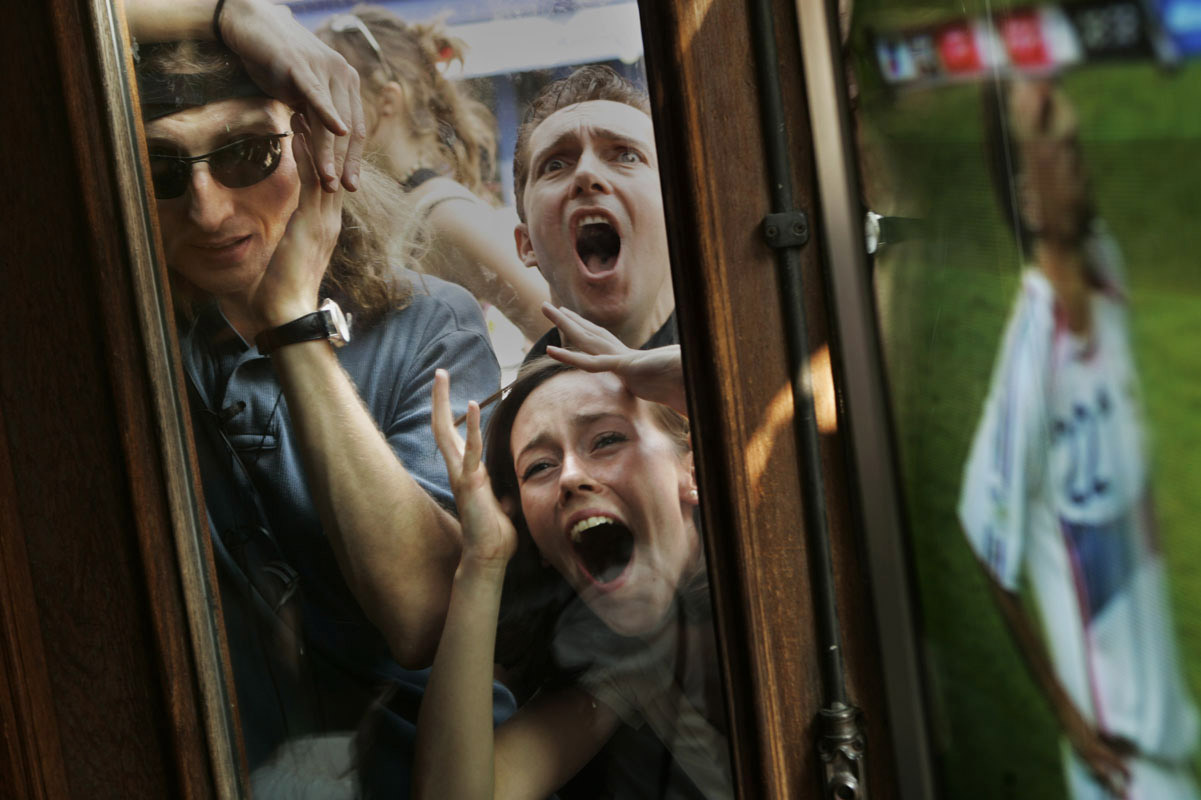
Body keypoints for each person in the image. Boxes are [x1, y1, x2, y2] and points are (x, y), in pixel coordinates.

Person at [135, 36, 514, 798]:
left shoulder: (425, 324)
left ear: (317, 147)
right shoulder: (132, 335)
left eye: (246, 153)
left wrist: (291, 322)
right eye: (164, 171)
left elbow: (418, 615)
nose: (208, 211)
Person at [958, 77, 1199, 800]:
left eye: (1071, 135)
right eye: (1051, 144)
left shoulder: (1105, 273)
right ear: (1026, 198)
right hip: (1120, 764)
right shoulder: (1033, 344)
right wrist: (1068, 713)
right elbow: (984, 536)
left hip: (1167, 725)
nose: (1075, 149)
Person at [413, 316, 731, 799]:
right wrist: (483, 560)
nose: (569, 477)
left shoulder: (787, 561)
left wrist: (703, 382)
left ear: (693, 470)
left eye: (607, 440)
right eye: (539, 466)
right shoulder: (629, 669)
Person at [315, 5, 552, 343]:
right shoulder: (399, 208)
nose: (314, 113)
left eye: (329, 94)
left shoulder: (443, 212)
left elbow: (561, 328)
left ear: (386, 100)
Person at [512, 65, 678, 362]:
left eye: (627, 156)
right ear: (526, 245)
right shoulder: (517, 408)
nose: (586, 174)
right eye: (555, 165)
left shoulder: (752, 373)